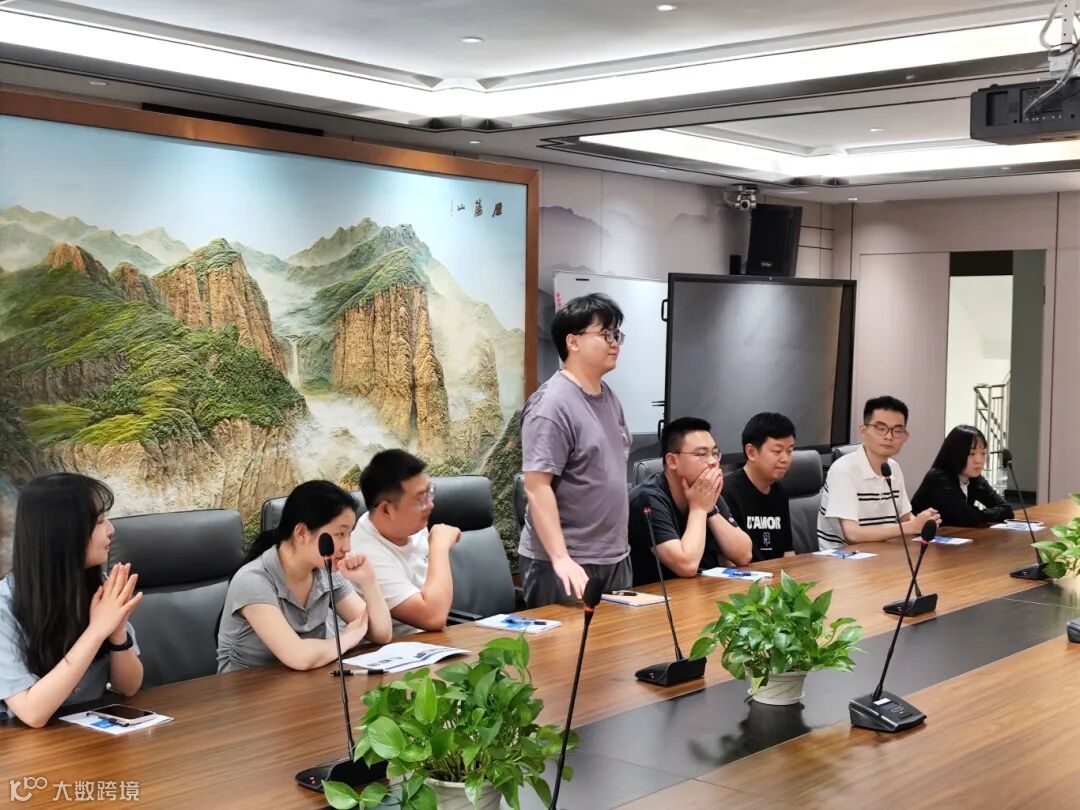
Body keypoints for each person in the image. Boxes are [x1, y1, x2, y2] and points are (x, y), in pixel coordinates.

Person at [0, 473, 143, 728]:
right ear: (62, 533)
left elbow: (129, 687)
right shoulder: (4, 606)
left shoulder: (100, 587)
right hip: (28, 745)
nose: (111, 529)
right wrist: (97, 630)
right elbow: (32, 713)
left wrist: (117, 633)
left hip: (90, 735)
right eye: (99, 521)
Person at [519, 293, 633, 607]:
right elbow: (536, 487)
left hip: (614, 555)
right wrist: (561, 558)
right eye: (605, 334)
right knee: (571, 641)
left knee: (616, 640)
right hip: (566, 562)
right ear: (573, 342)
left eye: (617, 334)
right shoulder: (552, 404)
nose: (614, 343)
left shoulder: (609, 396)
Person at [217, 480, 391, 673]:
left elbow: (382, 633)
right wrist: (350, 637)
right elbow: (299, 656)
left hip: (306, 683)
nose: (347, 547)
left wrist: (369, 581)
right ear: (301, 533)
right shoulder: (253, 580)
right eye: (340, 534)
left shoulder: (324, 571)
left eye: (349, 534)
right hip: (248, 688)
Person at [628, 417, 753, 583]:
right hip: (658, 595)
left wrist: (710, 510)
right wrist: (699, 509)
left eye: (715, 453)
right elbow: (686, 565)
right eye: (702, 454)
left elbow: (744, 555)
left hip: (700, 590)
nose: (713, 462)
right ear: (672, 461)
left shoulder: (704, 492)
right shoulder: (647, 499)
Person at [350, 450, 461, 636]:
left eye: (429, 492)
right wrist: (439, 546)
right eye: (420, 499)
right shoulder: (364, 554)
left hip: (431, 640)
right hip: (392, 647)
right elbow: (432, 617)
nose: (430, 505)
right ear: (386, 509)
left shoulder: (410, 525)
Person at [817, 395, 939, 549]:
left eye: (897, 431)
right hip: (842, 558)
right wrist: (912, 526)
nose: (889, 436)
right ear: (863, 430)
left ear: (905, 437)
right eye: (881, 429)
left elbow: (906, 518)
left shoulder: (893, 468)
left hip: (883, 553)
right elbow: (852, 534)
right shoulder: (843, 469)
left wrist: (924, 522)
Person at [722, 412, 796, 560]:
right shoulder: (727, 492)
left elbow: (787, 552)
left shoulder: (780, 493)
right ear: (751, 452)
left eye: (789, 451)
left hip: (775, 572)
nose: (785, 459)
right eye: (777, 451)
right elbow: (727, 560)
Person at [911, 425, 1014, 527]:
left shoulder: (975, 479)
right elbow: (966, 518)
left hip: (955, 535)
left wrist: (977, 514)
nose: (979, 460)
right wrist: (980, 514)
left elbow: (1007, 509)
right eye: (972, 453)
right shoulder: (938, 478)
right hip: (920, 536)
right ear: (954, 454)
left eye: (983, 453)